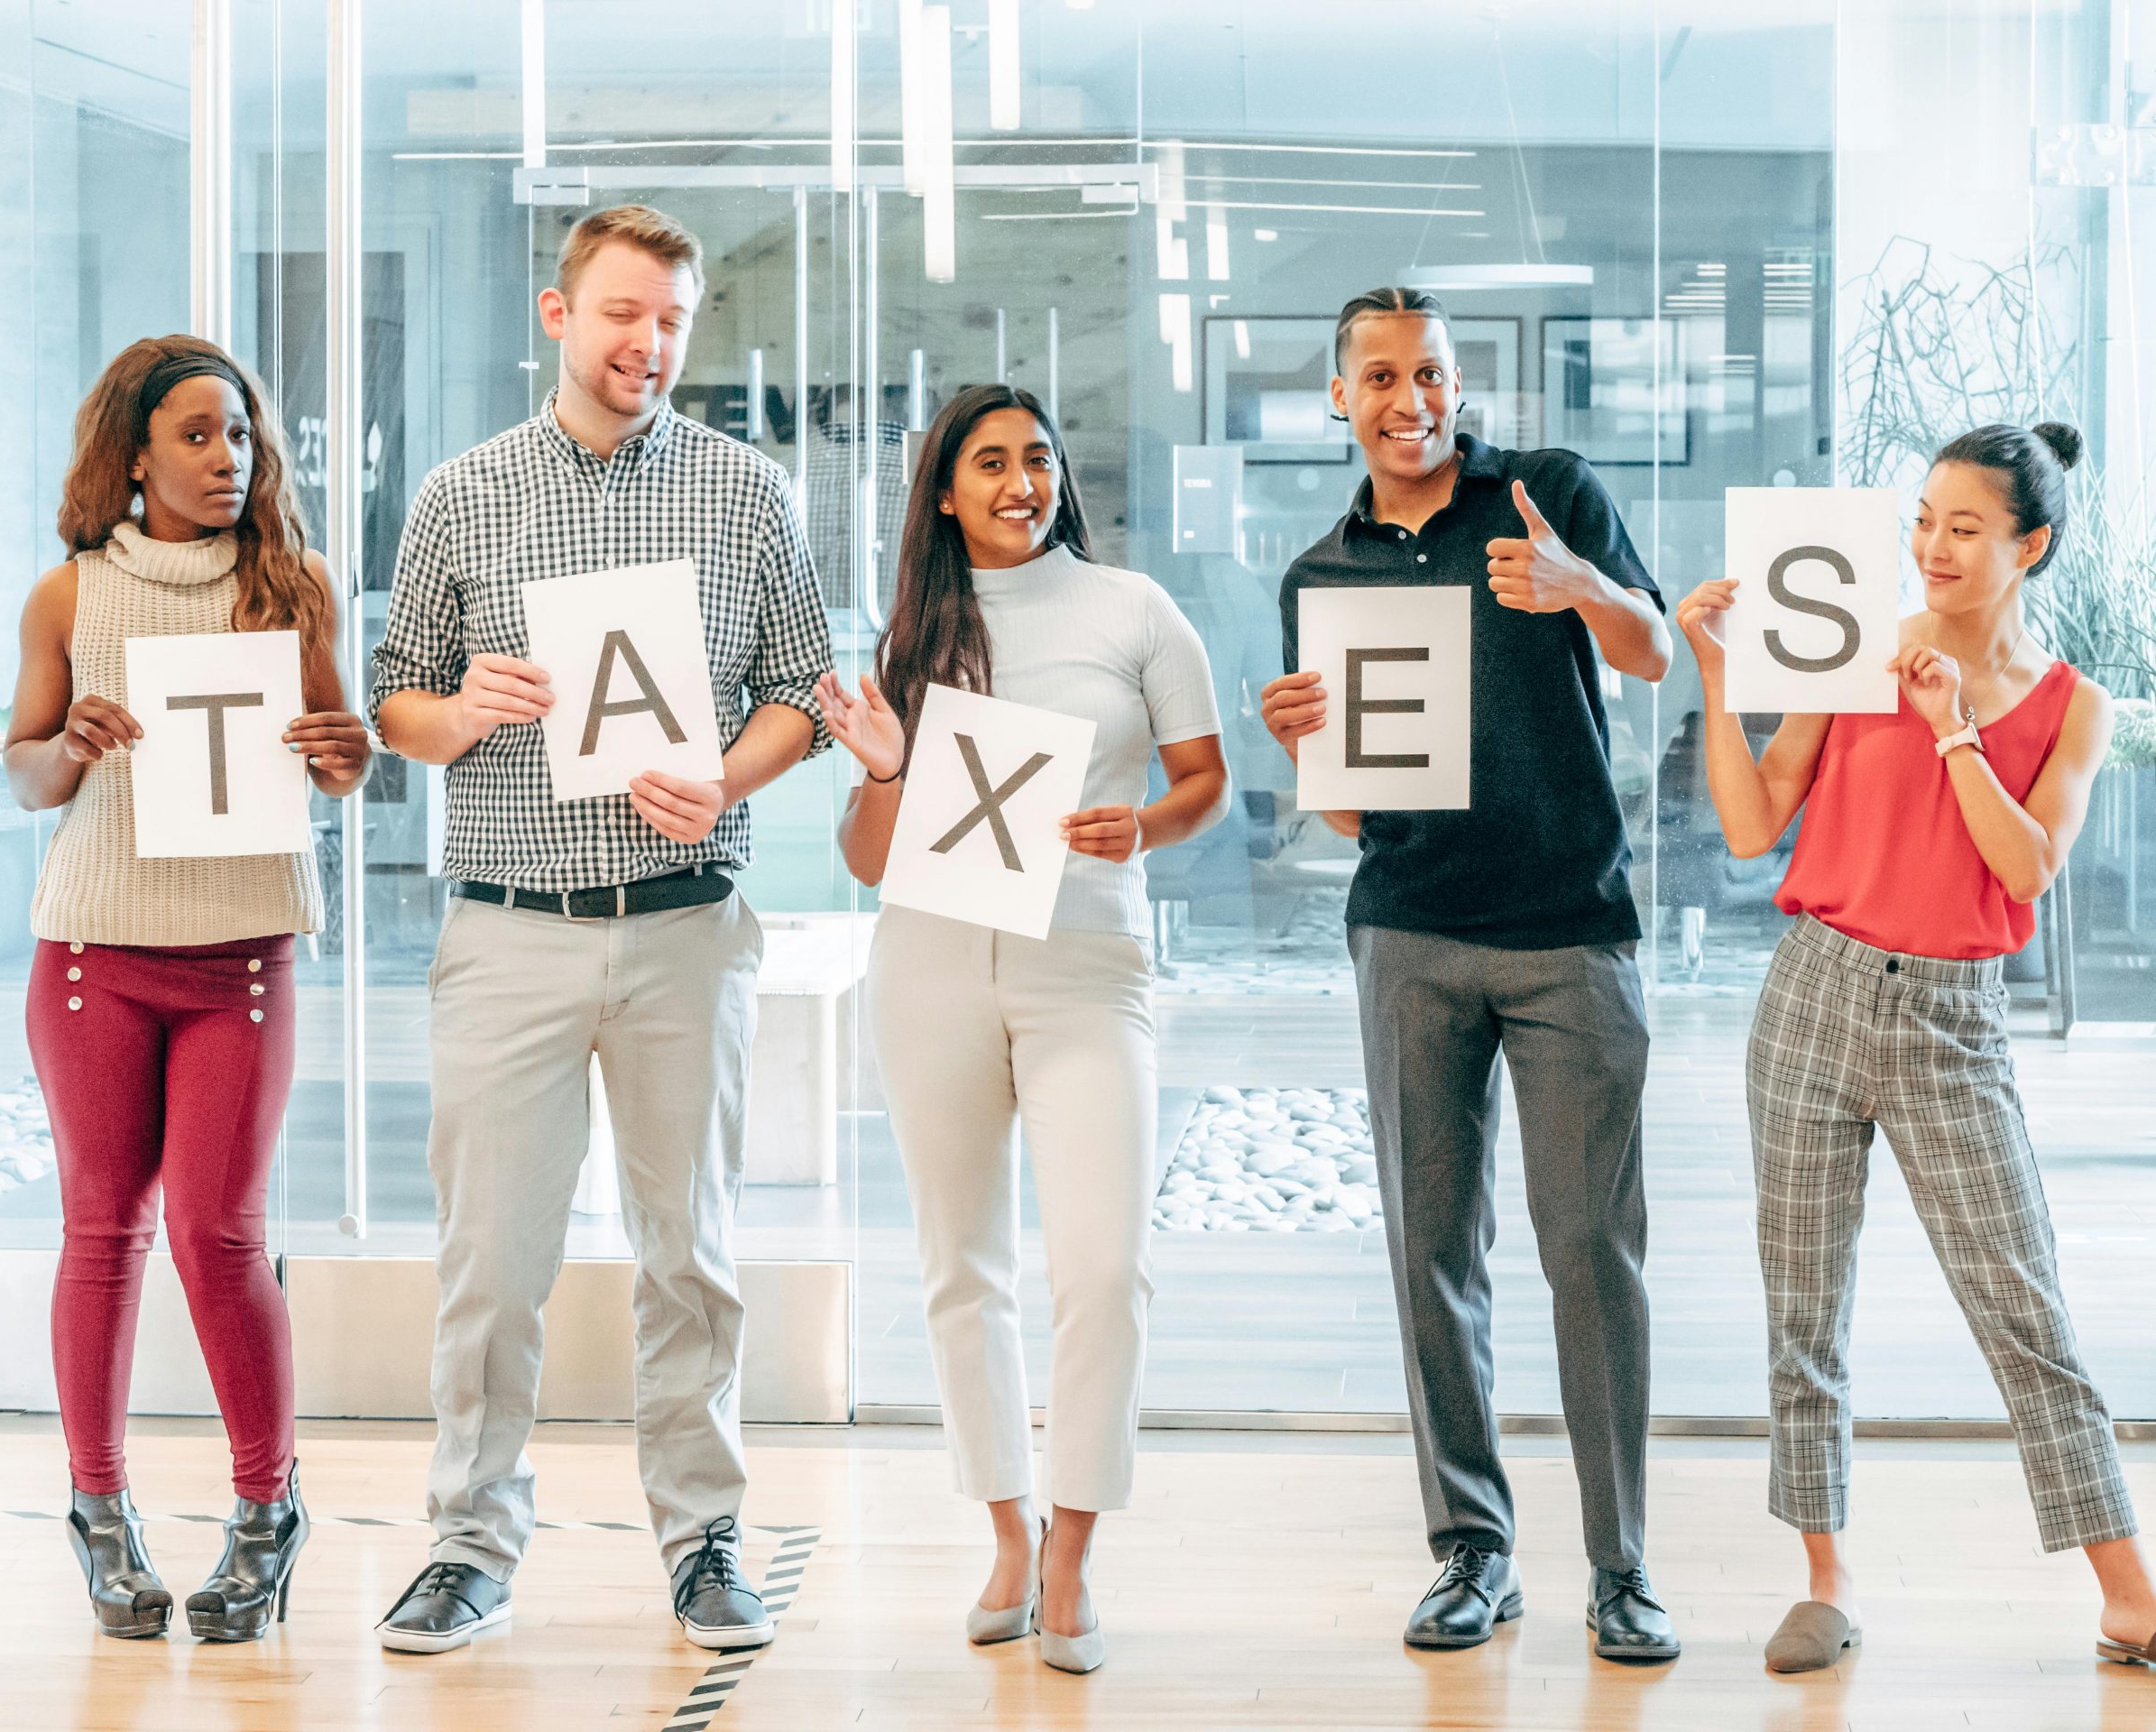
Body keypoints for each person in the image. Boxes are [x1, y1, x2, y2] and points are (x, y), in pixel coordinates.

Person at [368, 205, 834, 1654]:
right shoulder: (462, 492)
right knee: (490, 1259)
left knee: (688, 1251)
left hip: (687, 927)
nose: (649, 344)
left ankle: (704, 1538)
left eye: (673, 322)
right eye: (624, 313)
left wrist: (727, 774)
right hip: (507, 928)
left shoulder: (748, 493)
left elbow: (808, 692)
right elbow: (396, 698)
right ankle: (469, 1541)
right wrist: (463, 714)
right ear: (560, 315)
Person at [1676, 421, 2156, 1675]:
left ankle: (2128, 1593)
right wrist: (1720, 677)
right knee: (1805, 1311)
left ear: (2029, 545)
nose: (1931, 547)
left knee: (2025, 1307)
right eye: (1924, 520)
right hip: (1815, 995)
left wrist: (1952, 731)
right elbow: (1749, 822)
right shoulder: (1851, 651)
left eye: (1964, 526)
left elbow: (2029, 868)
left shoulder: (2074, 707)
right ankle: (1824, 1580)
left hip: (1955, 1019)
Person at [1260, 288, 1681, 1661]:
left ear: (1457, 382)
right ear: (1342, 397)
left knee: (1590, 1254)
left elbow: (1658, 650)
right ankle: (1471, 1550)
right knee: (1433, 1251)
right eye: (1380, 377)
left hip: (1572, 929)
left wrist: (1584, 587)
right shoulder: (1320, 576)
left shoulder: (1546, 493)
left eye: (1430, 373)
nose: (1411, 399)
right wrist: (1302, 750)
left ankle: (1619, 1566)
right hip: (1412, 934)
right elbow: (1347, 812)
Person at [816, 384, 1228, 1674]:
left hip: (1090, 962)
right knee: (961, 1265)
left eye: (1038, 458)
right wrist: (884, 767)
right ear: (943, 490)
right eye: (988, 462)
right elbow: (870, 860)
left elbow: (1205, 778)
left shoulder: (1135, 611)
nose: (1020, 481)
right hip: (934, 958)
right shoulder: (915, 637)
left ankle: (1074, 1553)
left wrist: (1145, 826)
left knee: (1104, 1269)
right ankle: (1006, 1528)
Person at [5, 334, 370, 1640]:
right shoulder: (71, 595)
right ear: (137, 454)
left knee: (220, 1235)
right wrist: (70, 742)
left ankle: (265, 1518)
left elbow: (340, 762)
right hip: (97, 954)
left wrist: (349, 747)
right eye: (200, 435)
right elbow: (25, 774)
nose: (230, 458)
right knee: (104, 1230)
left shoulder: (296, 586)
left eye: (243, 435)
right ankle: (99, 1513)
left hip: (243, 958)